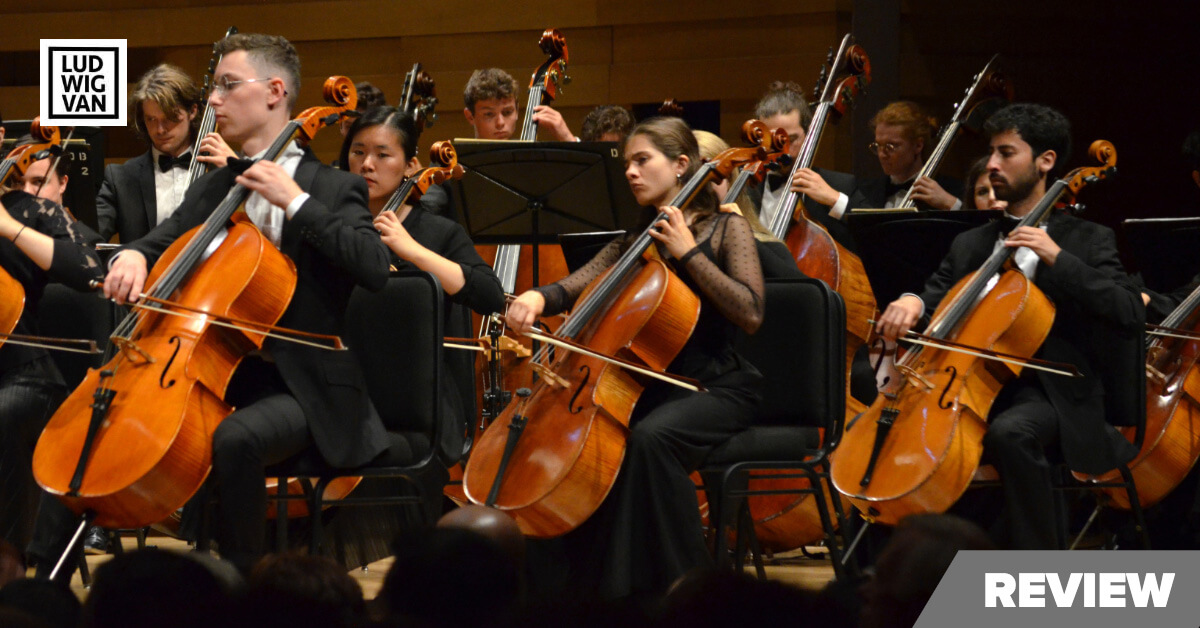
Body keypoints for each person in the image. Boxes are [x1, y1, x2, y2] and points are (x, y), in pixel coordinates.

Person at [30, 33, 391, 577]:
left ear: (274, 92)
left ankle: (243, 585)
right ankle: (40, 581)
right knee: (95, 422)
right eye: (215, 88)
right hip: (218, 371)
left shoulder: (334, 187)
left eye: (226, 86)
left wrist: (292, 199)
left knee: (235, 438)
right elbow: (164, 237)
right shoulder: (217, 186)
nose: (214, 101)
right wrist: (132, 256)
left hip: (304, 386)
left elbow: (372, 267)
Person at [505, 116, 764, 597]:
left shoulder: (727, 230)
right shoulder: (636, 237)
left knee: (649, 440)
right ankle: (575, 589)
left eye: (642, 160)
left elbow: (750, 312)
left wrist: (689, 254)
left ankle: (689, 590)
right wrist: (539, 298)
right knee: (592, 446)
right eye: (628, 163)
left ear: (681, 164)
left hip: (716, 386)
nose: (630, 172)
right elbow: (582, 281)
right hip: (650, 385)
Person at [874, 103, 1143, 549]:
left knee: (1011, 433)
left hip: (1056, 394)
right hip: (974, 385)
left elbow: (1128, 311)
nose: (993, 165)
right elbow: (937, 290)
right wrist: (910, 301)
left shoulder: (1088, 239)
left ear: (1046, 161)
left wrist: (1056, 256)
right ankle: (898, 573)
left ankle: (1036, 569)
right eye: (991, 153)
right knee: (891, 425)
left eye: (1006, 153)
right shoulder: (972, 241)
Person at [340, 104, 504, 475]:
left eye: (383, 155)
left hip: (421, 399)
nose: (367, 164)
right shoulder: (337, 228)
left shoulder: (439, 233)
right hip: (351, 387)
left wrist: (410, 249)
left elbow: (489, 295)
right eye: (358, 152)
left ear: (411, 167)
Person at [95, 64, 236, 243]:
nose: (160, 130)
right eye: (151, 119)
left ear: (192, 111)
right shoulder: (120, 179)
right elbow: (90, 238)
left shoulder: (227, 166)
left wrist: (238, 173)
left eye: (170, 117)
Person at [746, 81, 868, 252]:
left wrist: (834, 199)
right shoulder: (745, 185)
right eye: (773, 142)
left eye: (792, 139)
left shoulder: (840, 184)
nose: (783, 149)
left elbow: (878, 233)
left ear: (808, 135)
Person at [693, 129, 801, 280]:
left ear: (730, 181)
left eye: (713, 178)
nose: (700, 189)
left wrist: (744, 237)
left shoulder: (770, 248)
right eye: (689, 180)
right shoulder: (666, 244)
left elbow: (806, 293)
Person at [854, 101, 963, 210]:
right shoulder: (864, 193)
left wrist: (951, 204)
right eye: (878, 145)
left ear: (918, 145)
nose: (881, 154)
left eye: (891, 146)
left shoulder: (952, 191)